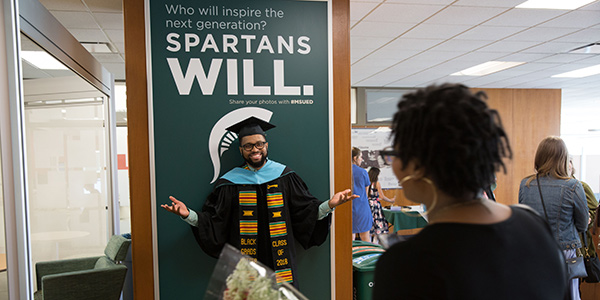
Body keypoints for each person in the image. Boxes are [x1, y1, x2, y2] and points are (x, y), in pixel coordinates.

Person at [373, 84, 567, 299]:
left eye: (395, 153)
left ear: (419, 166)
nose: (393, 163)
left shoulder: (407, 264)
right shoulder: (533, 224)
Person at [161, 116, 357, 287]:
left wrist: (329, 205)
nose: (255, 149)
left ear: (266, 145)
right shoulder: (229, 183)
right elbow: (215, 221)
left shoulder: (285, 176)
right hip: (245, 266)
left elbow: (305, 211)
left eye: (259, 144)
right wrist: (189, 216)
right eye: (248, 146)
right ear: (241, 150)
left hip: (281, 264)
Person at [519, 137, 588, 300]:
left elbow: (524, 218)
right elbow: (583, 224)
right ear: (563, 158)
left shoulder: (525, 184)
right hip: (564, 253)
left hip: (534, 251)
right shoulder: (573, 186)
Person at [367, 167, 394, 243]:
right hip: (375, 206)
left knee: (370, 224)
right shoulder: (377, 184)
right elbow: (382, 196)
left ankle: (368, 242)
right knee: (378, 224)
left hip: (368, 205)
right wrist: (391, 200)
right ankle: (375, 243)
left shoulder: (367, 183)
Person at [352, 147, 372, 242]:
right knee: (365, 237)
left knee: (350, 238)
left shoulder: (342, 171)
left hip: (347, 207)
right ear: (355, 158)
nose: (362, 159)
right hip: (362, 208)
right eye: (360, 157)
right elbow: (366, 193)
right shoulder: (363, 172)